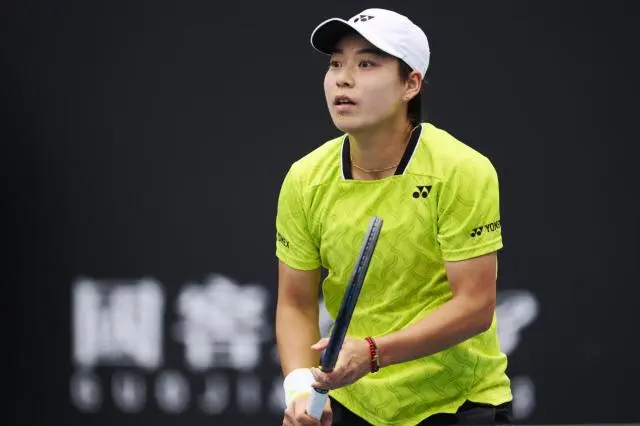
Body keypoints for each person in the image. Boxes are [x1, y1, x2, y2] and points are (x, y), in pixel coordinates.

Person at [275, 8, 512, 426]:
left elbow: (476, 306)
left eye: (366, 64)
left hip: (460, 405)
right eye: (336, 64)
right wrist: (299, 387)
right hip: (354, 404)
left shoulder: (461, 171)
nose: (343, 79)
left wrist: (372, 353)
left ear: (411, 84)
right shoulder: (305, 179)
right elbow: (295, 302)